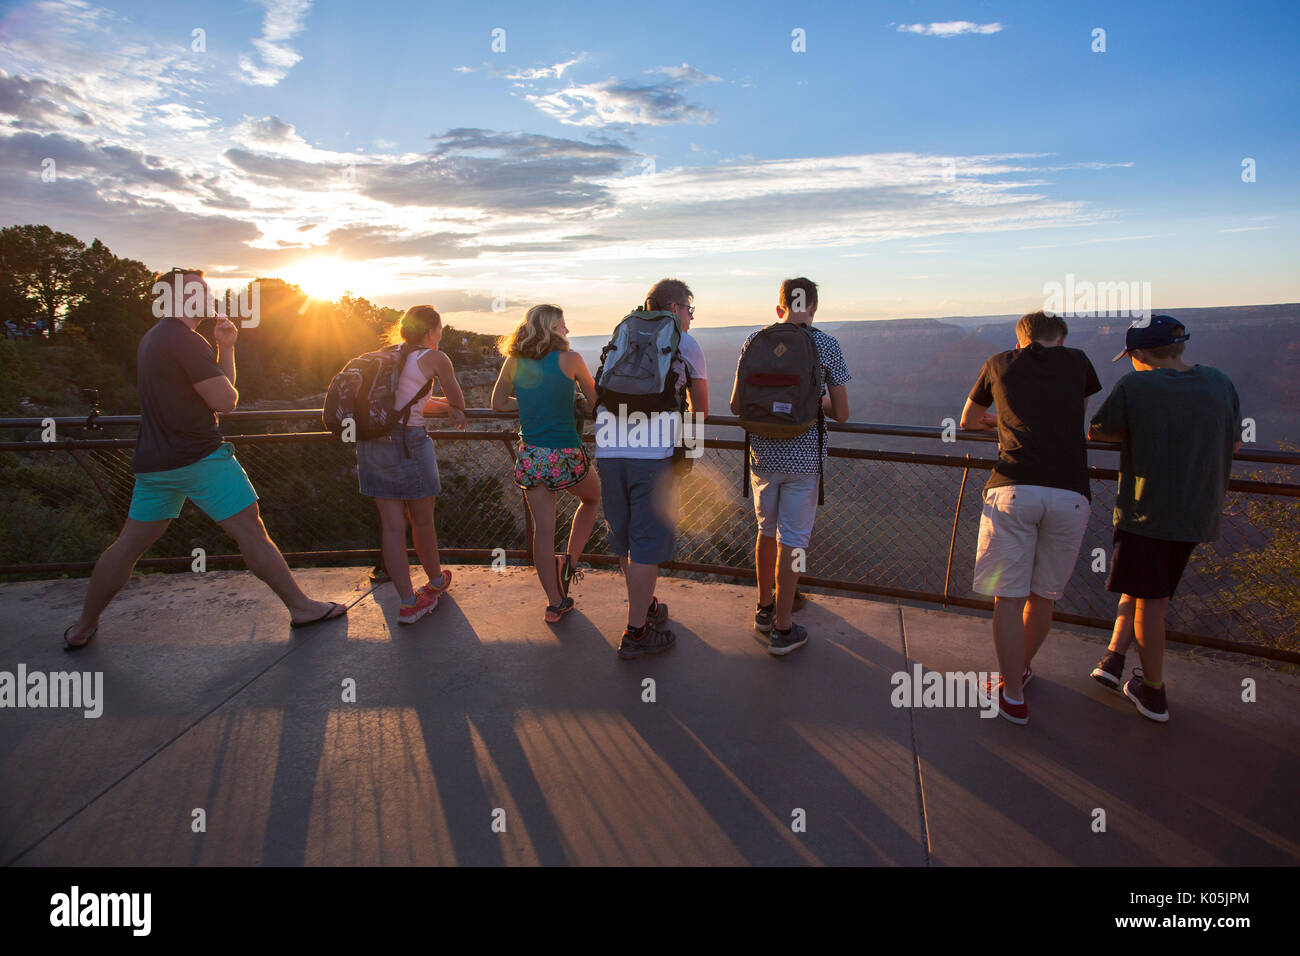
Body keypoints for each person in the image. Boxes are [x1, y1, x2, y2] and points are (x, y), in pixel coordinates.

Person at [62, 268, 346, 649]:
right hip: (200, 457)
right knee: (252, 531)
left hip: (155, 463)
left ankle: (83, 625)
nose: (209, 297)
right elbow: (227, 402)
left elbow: (217, 395)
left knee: (127, 546)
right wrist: (217, 350)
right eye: (200, 291)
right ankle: (301, 608)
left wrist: (226, 347)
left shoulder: (155, 338)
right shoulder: (185, 340)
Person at [1087, 315, 1240, 722]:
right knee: (1146, 588)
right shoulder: (1219, 382)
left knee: (1151, 602)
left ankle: (1152, 691)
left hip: (1147, 511)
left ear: (1139, 355)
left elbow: (1098, 432)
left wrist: (1145, 434)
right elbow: (1235, 440)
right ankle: (1113, 660)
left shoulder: (1137, 384)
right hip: (1197, 511)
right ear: (1180, 347)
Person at [959, 310, 1101, 724]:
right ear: (1061, 338)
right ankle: (1020, 668)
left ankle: (1013, 696)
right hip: (1070, 492)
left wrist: (1003, 427)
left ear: (1019, 338)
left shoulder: (998, 363)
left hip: (1013, 488)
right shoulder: (1078, 361)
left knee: (1008, 596)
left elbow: (967, 420)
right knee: (1043, 595)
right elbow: (1077, 418)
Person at [729, 277, 850, 655]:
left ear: (779, 306)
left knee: (766, 532)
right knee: (794, 542)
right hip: (804, 461)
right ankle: (783, 628)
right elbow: (842, 413)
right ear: (812, 307)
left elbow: (736, 405)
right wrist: (816, 405)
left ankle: (764, 610)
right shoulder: (826, 344)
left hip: (762, 457)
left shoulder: (755, 340)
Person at [594, 278, 708, 659]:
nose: (690, 318)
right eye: (689, 310)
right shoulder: (685, 343)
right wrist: (690, 453)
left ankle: (645, 607)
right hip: (652, 455)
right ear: (675, 308)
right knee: (646, 543)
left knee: (626, 538)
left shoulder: (624, 334)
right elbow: (700, 407)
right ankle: (637, 633)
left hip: (608, 448)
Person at [490, 304, 601, 623]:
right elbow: (595, 402)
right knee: (592, 499)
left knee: (543, 530)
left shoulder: (514, 361)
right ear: (551, 329)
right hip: (565, 453)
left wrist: (528, 403)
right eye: (562, 326)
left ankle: (555, 602)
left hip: (532, 455)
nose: (567, 331)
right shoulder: (572, 359)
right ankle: (570, 561)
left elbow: (497, 404)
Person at [357, 305, 467, 625]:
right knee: (422, 521)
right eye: (440, 329)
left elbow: (407, 402)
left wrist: (440, 405)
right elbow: (459, 402)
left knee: (392, 526)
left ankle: (408, 603)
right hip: (409, 443)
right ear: (431, 331)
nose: (441, 335)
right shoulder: (435, 358)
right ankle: (433, 582)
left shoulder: (387, 355)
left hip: (372, 441)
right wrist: (452, 406)